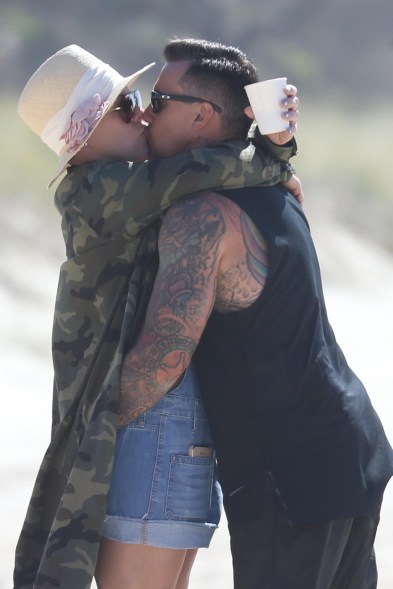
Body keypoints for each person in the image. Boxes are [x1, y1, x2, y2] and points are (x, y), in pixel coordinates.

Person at [14, 44, 300, 589]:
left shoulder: (126, 189)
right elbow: (205, 166)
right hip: (152, 421)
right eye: (126, 107)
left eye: (144, 99)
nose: (144, 113)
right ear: (84, 134)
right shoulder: (101, 190)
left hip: (159, 420)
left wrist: (273, 156)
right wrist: (273, 156)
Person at [117, 38, 393, 589]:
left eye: (157, 99)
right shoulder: (274, 186)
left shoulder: (201, 216)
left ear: (201, 115)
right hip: (348, 446)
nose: (145, 113)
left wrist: (87, 427)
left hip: (288, 472)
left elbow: (162, 360)